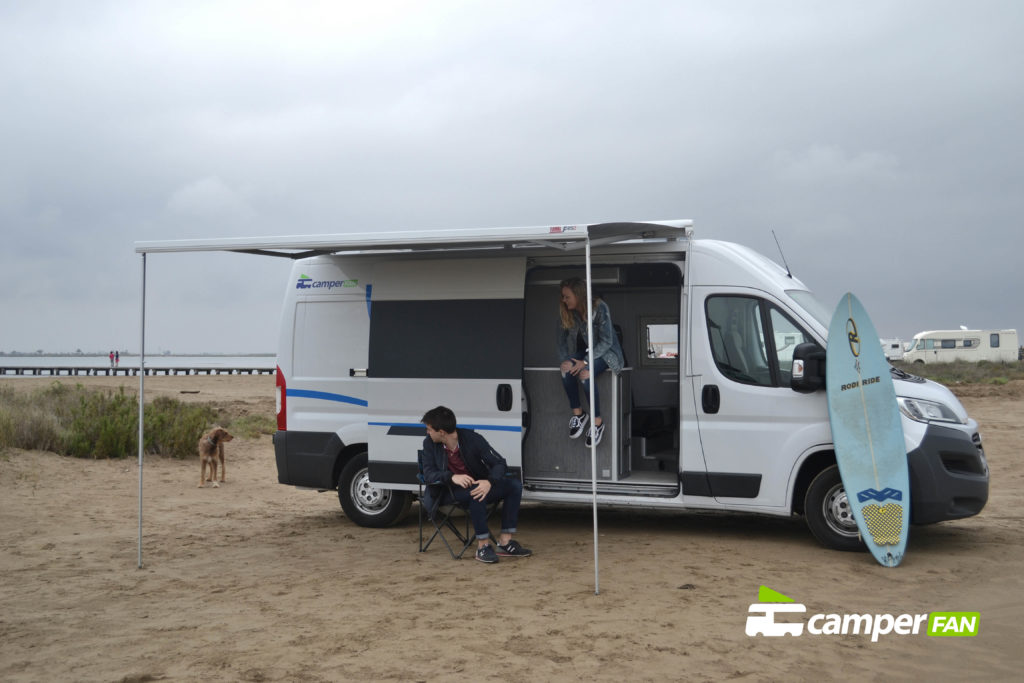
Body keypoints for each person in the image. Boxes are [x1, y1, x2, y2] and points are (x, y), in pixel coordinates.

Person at [420, 406, 532, 564]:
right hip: (445, 492)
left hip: (477, 487)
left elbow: (499, 463)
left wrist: (489, 481)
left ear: (442, 432)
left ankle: (506, 543)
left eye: (429, 429)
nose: (427, 432)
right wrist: (452, 477)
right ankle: (483, 546)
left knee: (514, 486)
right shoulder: (429, 444)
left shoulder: (472, 439)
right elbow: (428, 474)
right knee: (476, 492)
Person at [556, 277, 624, 447]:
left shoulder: (599, 307)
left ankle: (597, 422)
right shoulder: (567, 311)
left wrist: (585, 362)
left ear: (578, 295)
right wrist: (565, 360)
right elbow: (561, 341)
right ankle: (579, 415)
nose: (563, 300)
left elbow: (607, 341)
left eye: (567, 296)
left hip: (606, 353)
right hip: (584, 352)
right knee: (565, 369)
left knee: (585, 375)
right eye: (563, 296)